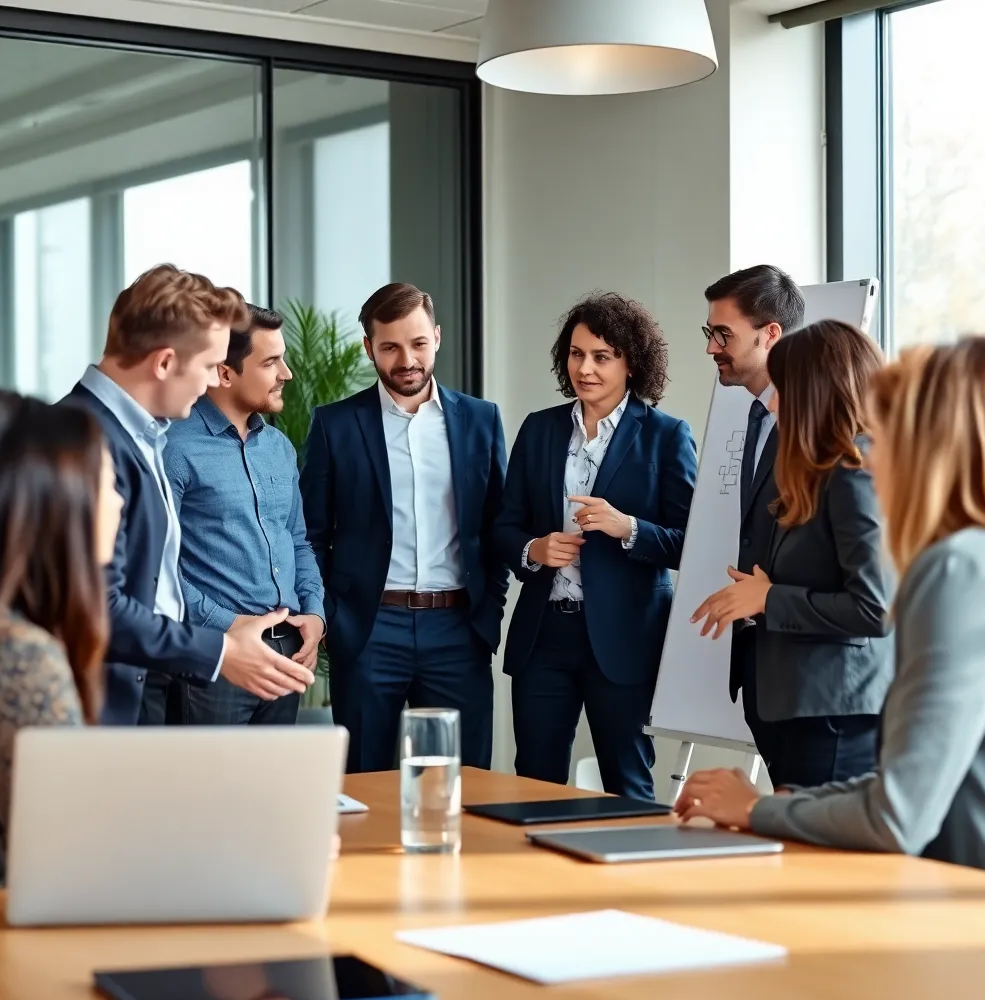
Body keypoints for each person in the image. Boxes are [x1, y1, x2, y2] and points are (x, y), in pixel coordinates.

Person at [676, 337, 985, 874]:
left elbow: (898, 814)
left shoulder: (959, 569)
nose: (873, 457)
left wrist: (761, 808)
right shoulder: (984, 558)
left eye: (887, 431)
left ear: (932, 445)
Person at [67, 265, 314, 726]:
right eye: (206, 367)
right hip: (96, 706)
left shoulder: (145, 437)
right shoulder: (80, 441)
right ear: (164, 363)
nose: (209, 385)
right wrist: (221, 649)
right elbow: (100, 604)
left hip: (146, 687)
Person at [493, 292, 697, 800]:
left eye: (602, 357)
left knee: (628, 785)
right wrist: (533, 550)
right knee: (534, 786)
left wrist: (628, 527)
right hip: (545, 636)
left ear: (632, 363)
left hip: (626, 639)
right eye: (577, 354)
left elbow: (692, 543)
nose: (585, 368)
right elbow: (503, 525)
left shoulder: (667, 436)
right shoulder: (539, 429)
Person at [301, 282, 508, 772]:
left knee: (464, 782)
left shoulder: (481, 420)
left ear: (436, 338)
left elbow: (499, 525)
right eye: (390, 346)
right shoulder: (335, 424)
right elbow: (310, 532)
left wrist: (489, 609)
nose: (407, 359)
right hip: (371, 628)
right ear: (368, 347)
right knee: (364, 781)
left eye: (417, 344)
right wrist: (332, 614)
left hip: (459, 628)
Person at [692, 320, 893, 787]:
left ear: (816, 390)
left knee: (820, 858)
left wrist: (768, 598)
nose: (775, 401)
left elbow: (877, 607)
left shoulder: (854, 470)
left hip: (835, 712)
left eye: (783, 387)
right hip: (801, 705)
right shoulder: (816, 468)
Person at [0, 393, 124, 891]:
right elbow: (73, 853)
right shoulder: (17, 657)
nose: (119, 501)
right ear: (57, 500)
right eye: (108, 482)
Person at [164, 305, 326, 726]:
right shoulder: (173, 448)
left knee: (272, 790)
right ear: (224, 372)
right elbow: (159, 569)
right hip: (216, 659)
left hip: (287, 653)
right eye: (271, 362)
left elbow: (297, 541)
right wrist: (229, 626)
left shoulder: (279, 448)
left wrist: (314, 613)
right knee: (211, 791)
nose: (286, 373)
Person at [700, 265, 805, 775]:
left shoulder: (816, 428)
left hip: (809, 682)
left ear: (770, 335)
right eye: (710, 332)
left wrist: (770, 597)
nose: (711, 347)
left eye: (724, 334)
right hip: (763, 669)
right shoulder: (753, 412)